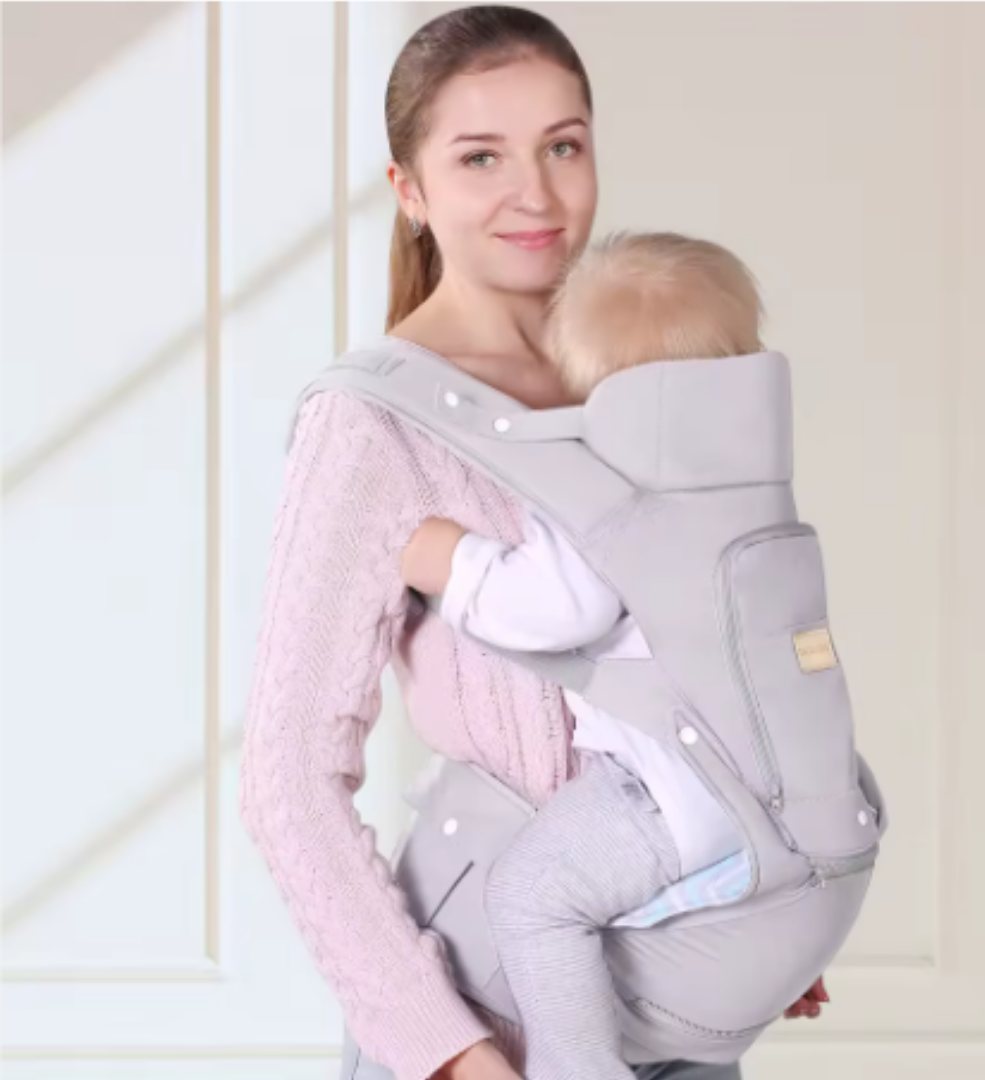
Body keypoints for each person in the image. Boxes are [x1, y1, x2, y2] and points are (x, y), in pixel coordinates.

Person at [240, 9, 830, 1080]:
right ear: (410, 191)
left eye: (563, 146)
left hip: (677, 976)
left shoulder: (648, 370)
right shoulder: (370, 426)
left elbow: (735, 635)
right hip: (491, 1007)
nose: (538, 195)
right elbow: (286, 783)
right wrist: (449, 1052)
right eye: (481, 158)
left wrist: (755, 870)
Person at [399, 233, 774, 1080]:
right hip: (764, 793)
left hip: (663, 791)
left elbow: (557, 606)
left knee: (532, 897)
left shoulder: (610, 488)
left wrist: (448, 560)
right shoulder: (756, 494)